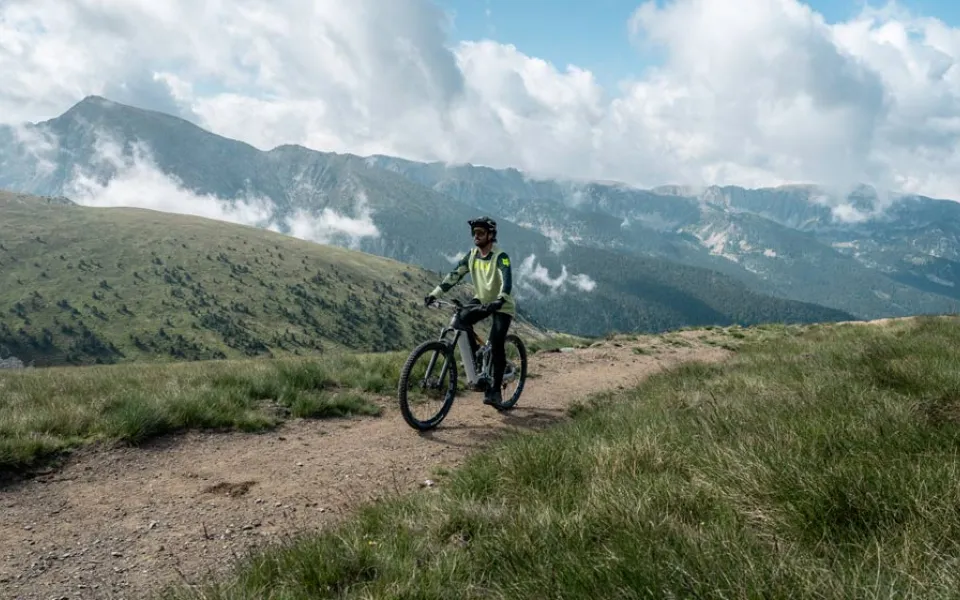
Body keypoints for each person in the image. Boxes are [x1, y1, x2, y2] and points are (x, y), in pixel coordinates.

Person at [425, 216, 515, 406]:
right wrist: (435, 293)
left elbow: (506, 280)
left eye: (481, 232)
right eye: (474, 233)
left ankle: (495, 390)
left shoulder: (501, 257)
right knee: (460, 320)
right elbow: (454, 275)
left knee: (497, 343)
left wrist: (500, 299)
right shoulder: (472, 255)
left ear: (490, 235)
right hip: (482, 299)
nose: (476, 236)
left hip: (502, 304)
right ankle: (477, 361)